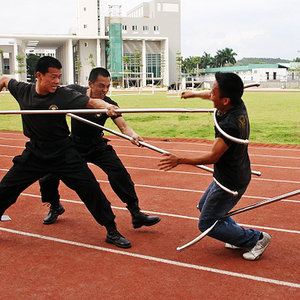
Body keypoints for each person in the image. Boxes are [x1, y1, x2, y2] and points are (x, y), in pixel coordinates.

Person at [0, 56, 131, 249]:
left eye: (59, 77)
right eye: (53, 77)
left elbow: (92, 102)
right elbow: (4, 79)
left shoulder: (63, 95)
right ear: (39, 75)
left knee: (91, 188)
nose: (57, 81)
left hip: (63, 153)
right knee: (6, 188)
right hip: (35, 153)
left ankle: (111, 230)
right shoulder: (23, 91)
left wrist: (108, 107)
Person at [158, 72, 271, 261]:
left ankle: (255, 238)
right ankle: (237, 237)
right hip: (228, 174)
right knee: (205, 207)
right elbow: (213, 96)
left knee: (207, 223)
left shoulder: (230, 125)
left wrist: (179, 160)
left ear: (225, 100)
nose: (210, 93)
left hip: (230, 181)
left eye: (213, 92)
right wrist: (193, 94)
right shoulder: (234, 104)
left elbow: (212, 156)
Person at [39, 67, 160, 229]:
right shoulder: (75, 92)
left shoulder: (110, 105)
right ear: (90, 83)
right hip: (74, 145)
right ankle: (55, 206)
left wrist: (133, 135)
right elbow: (53, 93)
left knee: (120, 174)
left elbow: (124, 127)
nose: (105, 90)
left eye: (108, 86)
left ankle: (136, 213)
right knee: (48, 174)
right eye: (101, 86)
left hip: (97, 146)